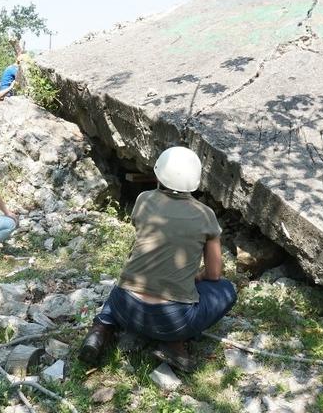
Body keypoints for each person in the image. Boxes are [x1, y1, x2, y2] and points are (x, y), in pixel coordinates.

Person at [77, 146, 237, 372]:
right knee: (226, 289)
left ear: (159, 173)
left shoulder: (143, 200)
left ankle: (100, 330)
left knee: (122, 283)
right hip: (173, 320)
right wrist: (195, 277)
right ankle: (175, 343)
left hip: (126, 308)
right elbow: (214, 274)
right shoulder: (206, 215)